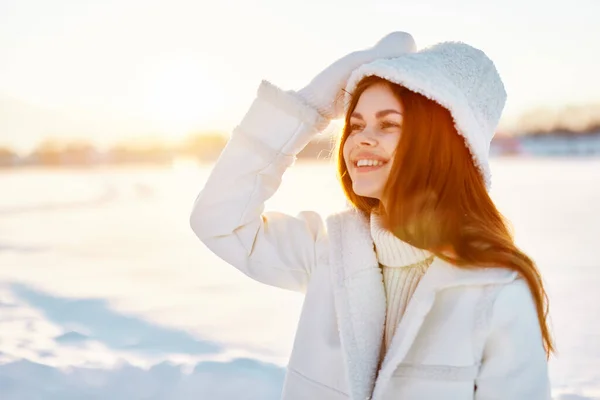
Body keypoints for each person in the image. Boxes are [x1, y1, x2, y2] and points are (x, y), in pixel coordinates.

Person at [190, 31, 554, 400]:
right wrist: (309, 106)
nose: (361, 139)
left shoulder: (497, 289)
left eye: (388, 123)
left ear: (440, 142)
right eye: (356, 124)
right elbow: (219, 221)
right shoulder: (330, 251)